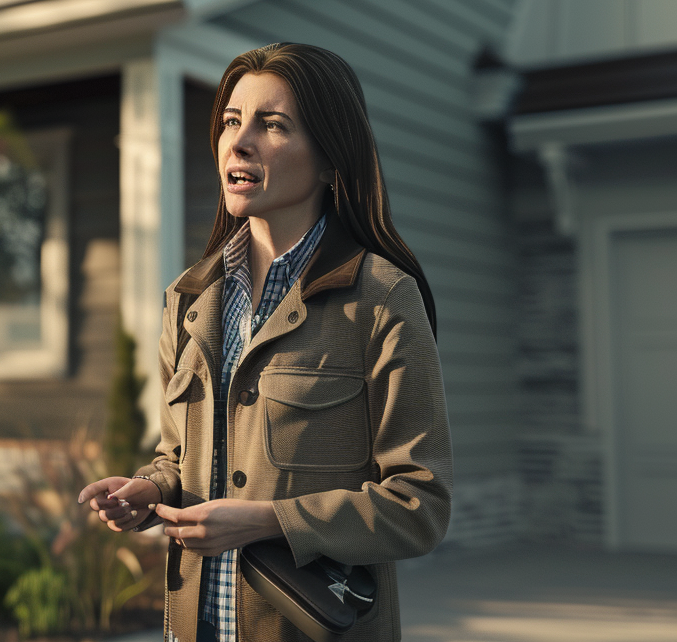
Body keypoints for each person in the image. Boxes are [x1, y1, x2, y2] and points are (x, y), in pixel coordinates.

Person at [79, 43, 452, 641]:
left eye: (271, 124)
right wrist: (148, 490)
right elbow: (180, 455)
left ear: (332, 160)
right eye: (231, 121)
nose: (240, 140)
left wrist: (267, 522)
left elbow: (421, 505)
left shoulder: (382, 298)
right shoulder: (188, 300)